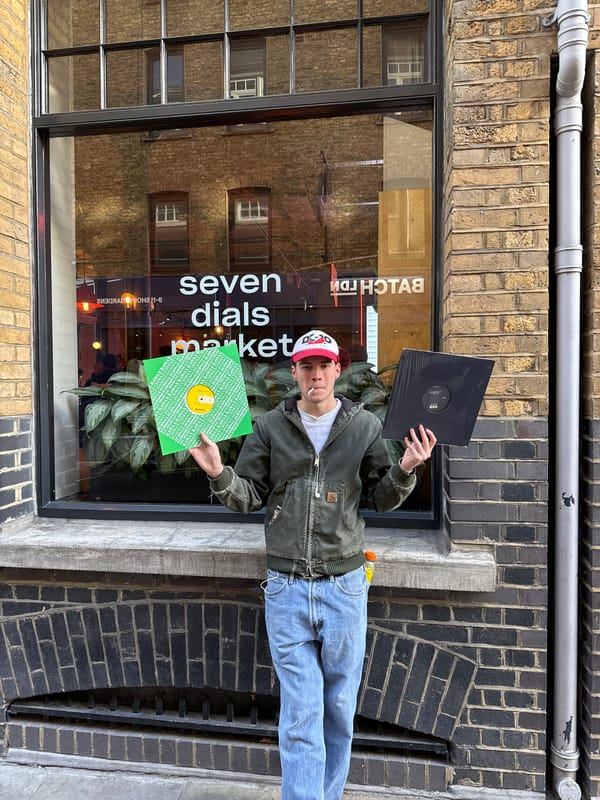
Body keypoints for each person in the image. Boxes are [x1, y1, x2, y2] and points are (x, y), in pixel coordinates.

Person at [188, 329, 436, 800]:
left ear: (338, 370)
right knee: (301, 714)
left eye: (324, 365)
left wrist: (406, 468)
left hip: (344, 587)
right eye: (306, 365)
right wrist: (219, 472)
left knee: (339, 708)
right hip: (285, 588)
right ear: (294, 372)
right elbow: (249, 498)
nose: (315, 374)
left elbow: (383, 499)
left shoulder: (363, 426)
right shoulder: (270, 427)